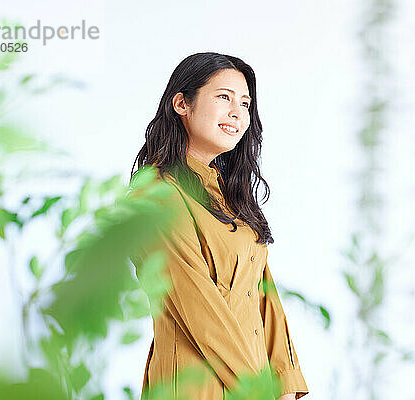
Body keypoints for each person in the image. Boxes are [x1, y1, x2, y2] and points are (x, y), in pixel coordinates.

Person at [129, 52, 309, 400]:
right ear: (181, 103)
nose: (237, 113)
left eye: (245, 103)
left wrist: (284, 385)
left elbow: (263, 295)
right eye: (224, 97)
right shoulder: (156, 196)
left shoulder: (231, 198)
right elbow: (200, 311)